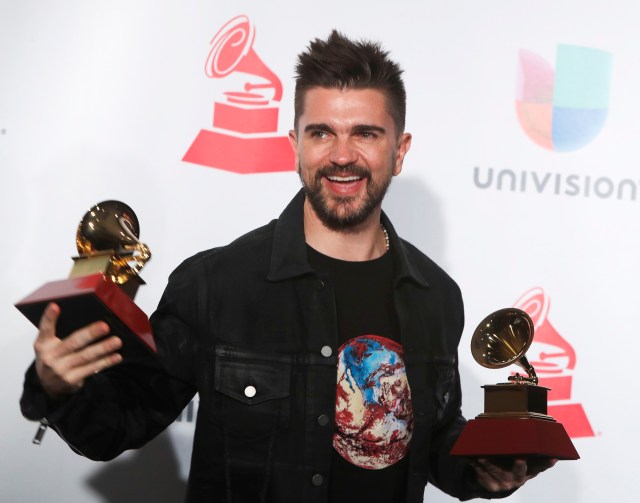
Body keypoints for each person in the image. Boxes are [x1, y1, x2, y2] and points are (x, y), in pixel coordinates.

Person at [20, 31, 554, 502]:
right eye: (322, 132)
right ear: (295, 145)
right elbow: (117, 425)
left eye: (365, 133)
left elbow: (425, 441)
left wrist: (481, 471)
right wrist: (56, 384)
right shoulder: (215, 284)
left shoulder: (437, 295)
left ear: (400, 150)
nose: (342, 155)